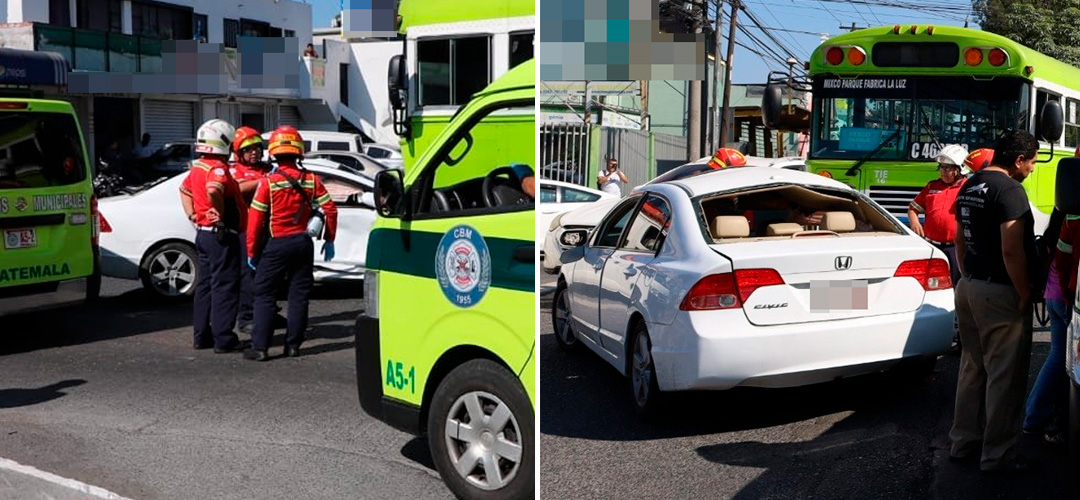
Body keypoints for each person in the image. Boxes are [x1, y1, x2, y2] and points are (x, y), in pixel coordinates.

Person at [949, 131, 1039, 473]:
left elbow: (959, 240)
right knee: (1004, 376)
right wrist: (1025, 291)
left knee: (972, 369)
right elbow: (1011, 248)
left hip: (969, 286)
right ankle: (997, 456)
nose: (1030, 170)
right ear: (1018, 160)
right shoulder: (1010, 190)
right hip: (1001, 292)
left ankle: (963, 442)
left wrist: (967, 275)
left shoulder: (970, 186)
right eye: (1030, 163)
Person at [245, 126, 338, 361]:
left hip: (277, 244)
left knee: (264, 294)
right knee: (299, 295)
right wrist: (329, 238)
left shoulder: (268, 183)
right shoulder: (311, 180)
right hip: (303, 244)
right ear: (299, 152)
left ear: (273, 153)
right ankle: (293, 346)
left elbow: (255, 220)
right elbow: (330, 209)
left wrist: (251, 251)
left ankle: (260, 348)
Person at [178, 119, 249, 353]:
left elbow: (184, 189)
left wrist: (192, 215)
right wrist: (218, 213)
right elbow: (214, 189)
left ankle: (201, 336)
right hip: (221, 235)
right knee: (225, 286)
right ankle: (223, 338)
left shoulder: (198, 167)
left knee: (205, 285)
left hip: (204, 234)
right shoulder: (218, 168)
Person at [1022, 211, 1080, 446]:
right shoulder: (1074, 221)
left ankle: (1035, 416)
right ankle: (1038, 417)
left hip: (1055, 296)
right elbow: (1069, 266)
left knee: (1057, 358)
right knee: (1063, 361)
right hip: (1067, 299)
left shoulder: (1063, 221)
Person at [228, 126, 287, 334]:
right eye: (248, 149)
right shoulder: (235, 170)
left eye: (257, 148)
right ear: (239, 153)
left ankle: (268, 312)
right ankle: (246, 317)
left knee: (272, 274)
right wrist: (266, 181)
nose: (254, 152)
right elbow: (240, 188)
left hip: (269, 228)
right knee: (249, 276)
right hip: (247, 229)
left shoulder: (267, 168)